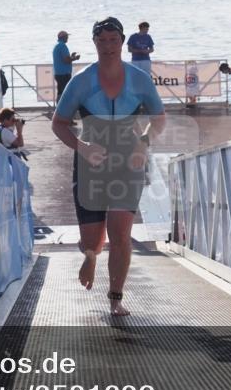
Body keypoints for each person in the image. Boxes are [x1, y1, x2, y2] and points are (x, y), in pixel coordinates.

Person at [51, 17, 165, 316]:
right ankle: (90, 253)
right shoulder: (81, 81)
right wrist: (82, 147)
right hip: (92, 164)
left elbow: (160, 118)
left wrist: (144, 142)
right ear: (94, 43)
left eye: (114, 40)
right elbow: (59, 124)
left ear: (122, 42)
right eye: (102, 41)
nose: (109, 46)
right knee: (93, 241)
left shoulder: (139, 80)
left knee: (121, 235)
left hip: (128, 163)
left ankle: (116, 297)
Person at [52, 30, 80, 100]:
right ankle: (63, 108)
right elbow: (66, 60)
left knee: (60, 92)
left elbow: (64, 59)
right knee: (65, 92)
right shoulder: (62, 46)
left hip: (58, 73)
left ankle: (58, 108)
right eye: (66, 36)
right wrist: (75, 58)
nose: (67, 38)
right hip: (63, 74)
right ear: (63, 37)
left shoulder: (57, 46)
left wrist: (71, 56)